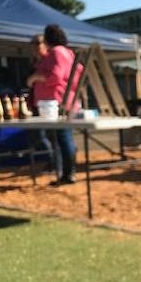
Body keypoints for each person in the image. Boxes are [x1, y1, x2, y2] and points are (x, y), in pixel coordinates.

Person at [27, 24, 82, 185]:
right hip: (65, 100)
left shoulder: (57, 52)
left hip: (58, 102)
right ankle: (67, 172)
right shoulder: (68, 53)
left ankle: (68, 174)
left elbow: (55, 77)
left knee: (63, 137)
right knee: (63, 137)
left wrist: (35, 78)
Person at [27, 34, 54, 171]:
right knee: (39, 135)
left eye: (38, 43)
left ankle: (54, 160)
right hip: (36, 101)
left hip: (49, 102)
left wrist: (34, 78)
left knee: (48, 134)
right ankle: (53, 159)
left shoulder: (49, 59)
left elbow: (53, 77)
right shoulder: (35, 61)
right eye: (33, 44)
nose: (35, 46)